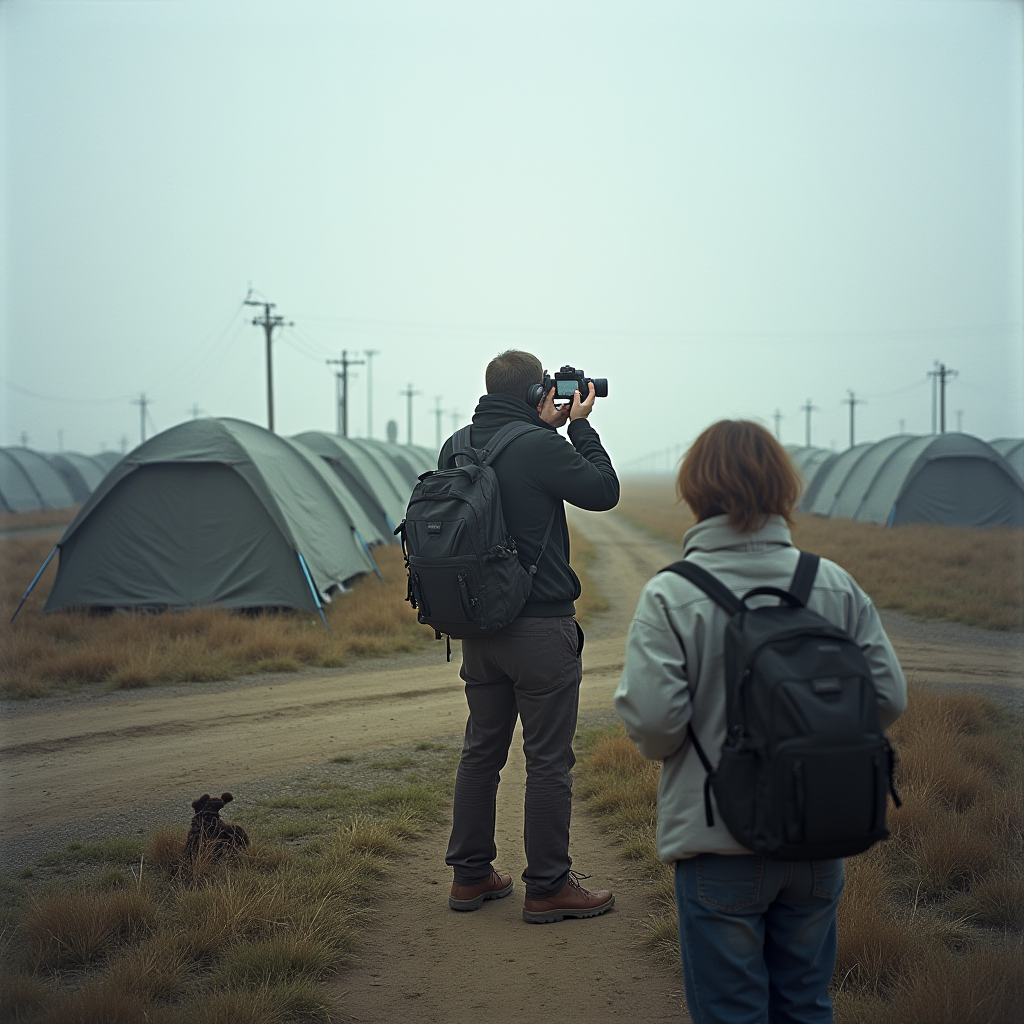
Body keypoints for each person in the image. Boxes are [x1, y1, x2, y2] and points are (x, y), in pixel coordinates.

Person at [614, 420, 906, 1023]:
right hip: (822, 838)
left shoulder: (671, 595)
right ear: (783, 487)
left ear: (695, 489)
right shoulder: (832, 584)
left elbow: (656, 727)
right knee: (806, 1006)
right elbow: (889, 699)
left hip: (720, 846)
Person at [441, 350, 619, 924]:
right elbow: (603, 490)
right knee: (547, 762)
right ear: (535, 391)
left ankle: (470, 879)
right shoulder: (542, 445)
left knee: (480, 753)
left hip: (478, 628)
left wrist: (542, 428)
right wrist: (582, 427)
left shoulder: (458, 445)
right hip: (540, 627)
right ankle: (547, 887)